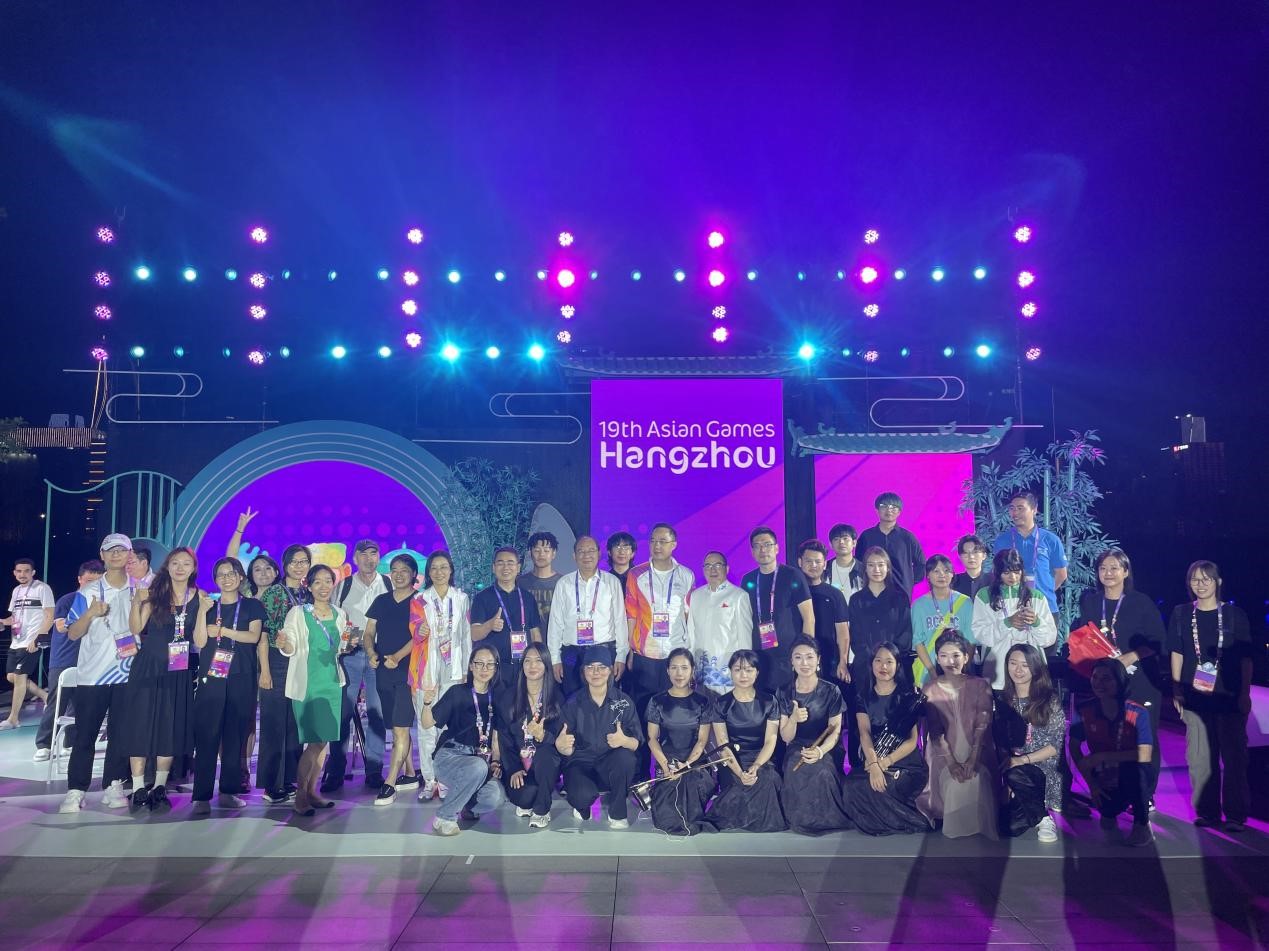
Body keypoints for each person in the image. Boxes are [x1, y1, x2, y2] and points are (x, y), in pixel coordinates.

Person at [121, 548, 211, 814]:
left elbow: (200, 641)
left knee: (169, 727)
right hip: (148, 666)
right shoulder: (155, 593)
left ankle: (160, 786)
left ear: (193, 568)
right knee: (141, 724)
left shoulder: (200, 597)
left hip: (179, 669)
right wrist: (136, 602)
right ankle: (139, 787)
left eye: (186, 563)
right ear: (167, 567)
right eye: (175, 563)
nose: (180, 568)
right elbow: (136, 628)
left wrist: (203, 612)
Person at [1167, 560, 1253, 833]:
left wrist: (1245, 693)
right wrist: (1176, 689)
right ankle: (1208, 812)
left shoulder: (1234, 615)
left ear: (1218, 582)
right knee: (1200, 757)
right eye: (1195, 579)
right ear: (1189, 583)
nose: (1201, 584)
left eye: (1207, 579)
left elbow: (1246, 658)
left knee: (1234, 758)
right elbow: (1177, 653)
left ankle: (1236, 815)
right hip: (1195, 698)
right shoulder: (1181, 614)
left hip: (1229, 698)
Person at [1073, 549, 1166, 796]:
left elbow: (1158, 641)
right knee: (1112, 737)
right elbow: (1085, 637)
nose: (1108, 573)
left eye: (1114, 568)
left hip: (1141, 681)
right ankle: (1116, 789)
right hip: (1107, 684)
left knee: (1144, 737)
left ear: (1126, 571)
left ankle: (1145, 793)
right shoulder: (1091, 602)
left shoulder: (1141, 602)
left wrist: (1131, 656)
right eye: (1103, 568)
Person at [57, 534, 136, 813]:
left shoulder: (139, 589)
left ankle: (113, 784)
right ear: (102, 555)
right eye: (110, 550)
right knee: (85, 735)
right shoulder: (88, 592)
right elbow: (73, 633)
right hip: (93, 675)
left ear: (129, 555)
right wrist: (90, 614)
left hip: (127, 672)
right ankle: (76, 789)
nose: (115, 554)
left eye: (121, 550)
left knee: (120, 733)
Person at [191, 557, 263, 814]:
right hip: (212, 677)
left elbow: (253, 637)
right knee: (207, 735)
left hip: (241, 676)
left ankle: (229, 791)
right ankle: (201, 796)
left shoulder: (252, 605)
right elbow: (200, 641)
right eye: (221, 574)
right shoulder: (208, 606)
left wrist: (223, 632)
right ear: (215, 580)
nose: (226, 578)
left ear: (241, 576)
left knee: (235, 736)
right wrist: (201, 612)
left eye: (231, 573)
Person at [624, 523, 695, 775]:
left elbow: (688, 617)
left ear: (673, 544)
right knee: (643, 717)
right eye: (653, 540)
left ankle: (671, 772)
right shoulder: (636, 574)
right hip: (645, 657)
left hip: (674, 661)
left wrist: (689, 656)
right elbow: (630, 615)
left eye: (663, 541)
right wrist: (628, 650)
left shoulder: (686, 575)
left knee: (673, 718)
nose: (657, 545)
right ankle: (642, 775)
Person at [276, 564, 347, 816]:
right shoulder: (298, 613)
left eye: (328, 581)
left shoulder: (340, 613)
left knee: (323, 742)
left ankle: (312, 792)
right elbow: (290, 645)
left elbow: (340, 647)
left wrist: (348, 645)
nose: (324, 586)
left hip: (332, 683)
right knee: (314, 743)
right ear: (309, 586)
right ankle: (300, 796)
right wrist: (284, 643)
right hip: (308, 684)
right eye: (318, 581)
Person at [841, 641, 930, 836]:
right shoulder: (863, 697)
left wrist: (886, 762)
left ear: (897, 665)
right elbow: (864, 732)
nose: (883, 666)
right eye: (878, 661)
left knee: (881, 787)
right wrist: (874, 763)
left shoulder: (907, 696)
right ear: (871, 664)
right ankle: (881, 822)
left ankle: (910, 821)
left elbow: (912, 741)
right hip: (876, 756)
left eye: (889, 661)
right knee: (850, 785)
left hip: (905, 763)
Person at [326, 539, 392, 793]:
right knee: (342, 713)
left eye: (373, 554)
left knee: (377, 713)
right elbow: (332, 620)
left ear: (378, 557)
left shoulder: (388, 584)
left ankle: (374, 770)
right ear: (355, 559)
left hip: (378, 655)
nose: (368, 559)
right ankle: (336, 771)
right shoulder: (343, 586)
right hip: (350, 655)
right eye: (363, 554)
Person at [420, 643, 506, 835]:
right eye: (479, 663)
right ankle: (444, 817)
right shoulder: (457, 692)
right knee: (478, 767)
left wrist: (495, 761)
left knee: (496, 797)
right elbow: (427, 723)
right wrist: (427, 702)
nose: (484, 668)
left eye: (490, 664)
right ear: (471, 666)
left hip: (481, 760)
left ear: (496, 668)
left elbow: (496, 736)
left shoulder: (497, 696)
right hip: (450, 756)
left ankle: (467, 807)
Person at [919, 632, 998, 839]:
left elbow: (983, 724)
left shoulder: (980, 685)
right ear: (937, 658)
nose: (950, 661)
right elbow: (935, 731)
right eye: (944, 656)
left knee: (977, 778)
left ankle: (979, 826)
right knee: (954, 782)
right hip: (943, 754)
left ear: (966, 657)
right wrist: (952, 763)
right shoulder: (930, 688)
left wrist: (973, 758)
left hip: (978, 750)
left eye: (956, 655)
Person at [555, 644, 642, 829]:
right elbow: (563, 745)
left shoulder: (623, 702)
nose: (596, 672)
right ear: (583, 671)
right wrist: (562, 746)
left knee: (626, 758)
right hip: (580, 763)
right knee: (581, 796)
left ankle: (617, 813)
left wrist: (624, 740)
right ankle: (582, 805)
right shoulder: (572, 703)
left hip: (610, 764)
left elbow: (637, 743)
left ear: (610, 670)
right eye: (590, 667)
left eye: (602, 667)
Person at [1071, 658, 1155, 846]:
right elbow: (1074, 748)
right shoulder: (1084, 710)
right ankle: (1110, 811)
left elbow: (1145, 754)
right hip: (1104, 772)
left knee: (1136, 770)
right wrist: (1092, 784)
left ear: (1120, 681)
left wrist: (1102, 756)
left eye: (1106, 679)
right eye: (1095, 677)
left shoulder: (1137, 712)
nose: (1098, 683)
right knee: (1108, 810)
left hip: (1131, 772)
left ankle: (1142, 824)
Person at [365, 554, 426, 805]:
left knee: (401, 728)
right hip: (383, 671)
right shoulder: (381, 601)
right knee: (396, 727)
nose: (398, 574)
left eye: (404, 570)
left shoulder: (420, 601)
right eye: (394, 570)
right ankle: (410, 774)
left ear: (414, 575)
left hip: (408, 672)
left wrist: (398, 656)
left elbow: (420, 636)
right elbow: (369, 632)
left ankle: (389, 783)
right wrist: (371, 652)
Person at [777, 637, 850, 835]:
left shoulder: (831, 691)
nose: (804, 663)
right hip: (797, 745)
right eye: (798, 657)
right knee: (795, 767)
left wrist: (820, 751)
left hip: (827, 746)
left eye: (809, 657)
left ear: (818, 660)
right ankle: (799, 820)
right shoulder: (784, 692)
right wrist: (793, 719)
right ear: (791, 661)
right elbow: (786, 737)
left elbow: (835, 730)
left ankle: (827, 820)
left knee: (823, 770)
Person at [415, 550, 473, 801]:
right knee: (426, 726)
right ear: (428, 572)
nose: (439, 572)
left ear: (451, 570)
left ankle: (446, 778)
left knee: (449, 726)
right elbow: (413, 631)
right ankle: (430, 780)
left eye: (444, 567)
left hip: (454, 668)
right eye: (434, 568)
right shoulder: (419, 599)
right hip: (427, 668)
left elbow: (466, 635)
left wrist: (467, 670)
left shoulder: (462, 598)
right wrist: (419, 630)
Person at [706, 650, 785, 832]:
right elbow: (723, 745)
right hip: (732, 759)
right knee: (737, 783)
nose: (743, 675)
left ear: (757, 672)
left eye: (749, 670)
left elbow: (771, 740)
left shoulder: (769, 701)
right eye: (738, 670)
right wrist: (740, 772)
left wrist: (756, 765)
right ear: (730, 672)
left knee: (768, 778)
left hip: (761, 758)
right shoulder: (721, 704)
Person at [257, 544, 312, 805]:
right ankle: (271, 784)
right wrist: (265, 670)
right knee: (275, 724)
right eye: (294, 562)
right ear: (285, 565)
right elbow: (263, 634)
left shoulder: (307, 593)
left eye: (304, 562)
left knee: (294, 723)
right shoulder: (275, 593)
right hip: (276, 661)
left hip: (300, 661)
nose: (299, 566)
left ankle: (289, 778)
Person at [996, 644, 1065, 842]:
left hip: (1043, 768)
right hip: (1014, 768)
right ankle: (1035, 810)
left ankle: (1044, 818)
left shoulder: (1049, 699)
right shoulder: (1003, 700)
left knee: (1015, 772)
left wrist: (1021, 761)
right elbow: (999, 739)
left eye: (1025, 665)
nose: (1018, 670)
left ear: (1035, 668)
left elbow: (1056, 745)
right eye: (1013, 663)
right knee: (1008, 828)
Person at [35, 560, 103, 761]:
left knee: (80, 706)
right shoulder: (68, 600)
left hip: (89, 660)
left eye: (97, 582)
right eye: (89, 580)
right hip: (64, 659)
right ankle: (44, 744)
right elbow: (61, 627)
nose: (93, 585)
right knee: (56, 703)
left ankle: (70, 742)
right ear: (80, 579)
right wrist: (87, 614)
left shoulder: (103, 603)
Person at [643, 648, 714, 835]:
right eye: (674, 668)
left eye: (684, 667)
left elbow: (702, 741)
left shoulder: (703, 702)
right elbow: (652, 738)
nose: (679, 673)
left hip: (694, 761)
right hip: (667, 761)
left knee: (691, 804)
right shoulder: (656, 701)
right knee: (666, 815)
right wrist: (666, 765)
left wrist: (687, 764)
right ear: (667, 670)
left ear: (692, 670)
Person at [547, 536, 629, 697]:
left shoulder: (611, 582)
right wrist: (555, 659)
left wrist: (621, 656)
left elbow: (620, 621)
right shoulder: (564, 583)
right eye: (581, 551)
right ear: (574, 556)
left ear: (599, 554)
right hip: (572, 654)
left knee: (605, 700)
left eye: (591, 550)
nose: (586, 555)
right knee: (572, 700)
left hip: (604, 651)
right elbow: (555, 623)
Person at [496, 642, 563, 829]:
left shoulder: (557, 698)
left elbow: (560, 741)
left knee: (546, 755)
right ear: (522, 665)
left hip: (545, 764)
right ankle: (536, 795)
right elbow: (505, 740)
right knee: (525, 798)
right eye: (527, 661)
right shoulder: (509, 697)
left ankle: (542, 810)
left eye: (538, 661)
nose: (532, 666)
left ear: (546, 665)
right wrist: (513, 768)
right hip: (520, 764)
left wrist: (544, 735)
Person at [971, 549, 1058, 690]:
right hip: (997, 673)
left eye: (1017, 572)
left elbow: (1049, 639)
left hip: (1031, 670)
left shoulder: (1036, 596)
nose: (1013, 577)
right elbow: (980, 636)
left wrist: (1036, 622)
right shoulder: (984, 596)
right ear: (997, 572)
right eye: (1006, 573)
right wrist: (1007, 623)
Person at [742, 527, 814, 693]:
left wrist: (806, 653)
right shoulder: (748, 580)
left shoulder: (793, 575)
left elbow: (809, 618)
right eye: (757, 546)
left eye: (767, 544)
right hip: (759, 655)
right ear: (752, 551)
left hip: (788, 654)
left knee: (789, 701)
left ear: (776, 548)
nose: (763, 550)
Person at [470, 547, 544, 692]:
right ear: (493, 567)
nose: (505, 567)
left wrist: (539, 661)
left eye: (510, 563)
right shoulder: (482, 598)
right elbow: (474, 634)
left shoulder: (528, 598)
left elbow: (535, 633)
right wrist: (489, 625)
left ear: (518, 567)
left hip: (523, 667)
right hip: (494, 669)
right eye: (500, 563)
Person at [685, 552, 753, 695]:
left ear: (726, 569)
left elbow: (745, 638)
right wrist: (689, 664)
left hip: (728, 669)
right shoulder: (696, 596)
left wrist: (744, 668)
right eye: (708, 566)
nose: (713, 570)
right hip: (701, 669)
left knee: (726, 707)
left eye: (717, 565)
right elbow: (691, 633)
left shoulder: (738, 596)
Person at [991, 492, 1068, 616]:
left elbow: (1061, 574)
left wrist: (1045, 590)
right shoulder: (1002, 540)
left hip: (1046, 607)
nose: (1015, 513)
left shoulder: (1050, 540)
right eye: (1012, 508)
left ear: (1034, 510)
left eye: (1020, 508)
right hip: (1012, 608)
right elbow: (997, 573)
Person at [1, 558, 54, 730]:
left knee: (20, 678)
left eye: (26, 571)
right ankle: (46, 696)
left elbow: (50, 616)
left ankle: (13, 718)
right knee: (11, 677)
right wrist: (3, 622)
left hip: (31, 641)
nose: (22, 574)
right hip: (16, 642)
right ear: (14, 573)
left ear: (33, 572)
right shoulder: (16, 591)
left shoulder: (42, 588)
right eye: (19, 571)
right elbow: (14, 618)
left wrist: (38, 639)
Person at [845, 548, 912, 683]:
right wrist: (873, 659)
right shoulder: (856, 600)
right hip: (865, 667)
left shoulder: (900, 598)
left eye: (881, 565)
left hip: (895, 666)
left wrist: (889, 658)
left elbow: (905, 634)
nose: (876, 570)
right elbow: (856, 636)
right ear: (865, 569)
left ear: (888, 568)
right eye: (871, 565)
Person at [911, 555, 975, 686]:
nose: (942, 575)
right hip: (929, 671)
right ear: (928, 575)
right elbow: (918, 641)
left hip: (959, 669)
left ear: (952, 574)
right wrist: (932, 672)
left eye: (946, 571)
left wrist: (963, 668)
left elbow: (971, 640)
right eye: (936, 571)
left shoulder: (965, 602)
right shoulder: (918, 605)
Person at [797, 540, 851, 687]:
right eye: (809, 561)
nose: (813, 565)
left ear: (825, 564)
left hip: (829, 659)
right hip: (799, 660)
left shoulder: (835, 594)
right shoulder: (792, 593)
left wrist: (843, 661)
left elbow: (842, 631)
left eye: (818, 561)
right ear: (800, 562)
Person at [857, 493, 926, 595]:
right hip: (872, 592)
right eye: (884, 506)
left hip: (901, 592)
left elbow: (921, 564)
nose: (889, 510)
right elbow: (858, 563)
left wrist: (908, 581)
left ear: (899, 512)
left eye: (893, 507)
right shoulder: (866, 536)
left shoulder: (907, 537)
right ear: (877, 510)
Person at [519, 531, 563, 632]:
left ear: (554, 553)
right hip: (527, 639)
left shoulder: (562, 583)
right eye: (537, 550)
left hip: (556, 638)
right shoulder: (520, 583)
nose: (541, 554)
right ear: (530, 553)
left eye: (546, 550)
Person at [827, 523, 865, 601]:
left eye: (845, 538)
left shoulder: (864, 570)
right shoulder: (825, 569)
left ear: (854, 543)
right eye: (836, 539)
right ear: (831, 545)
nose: (841, 542)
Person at [952, 534, 992, 599]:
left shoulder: (993, 581)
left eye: (975, 552)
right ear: (960, 557)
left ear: (984, 555)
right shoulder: (953, 581)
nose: (971, 556)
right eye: (965, 553)